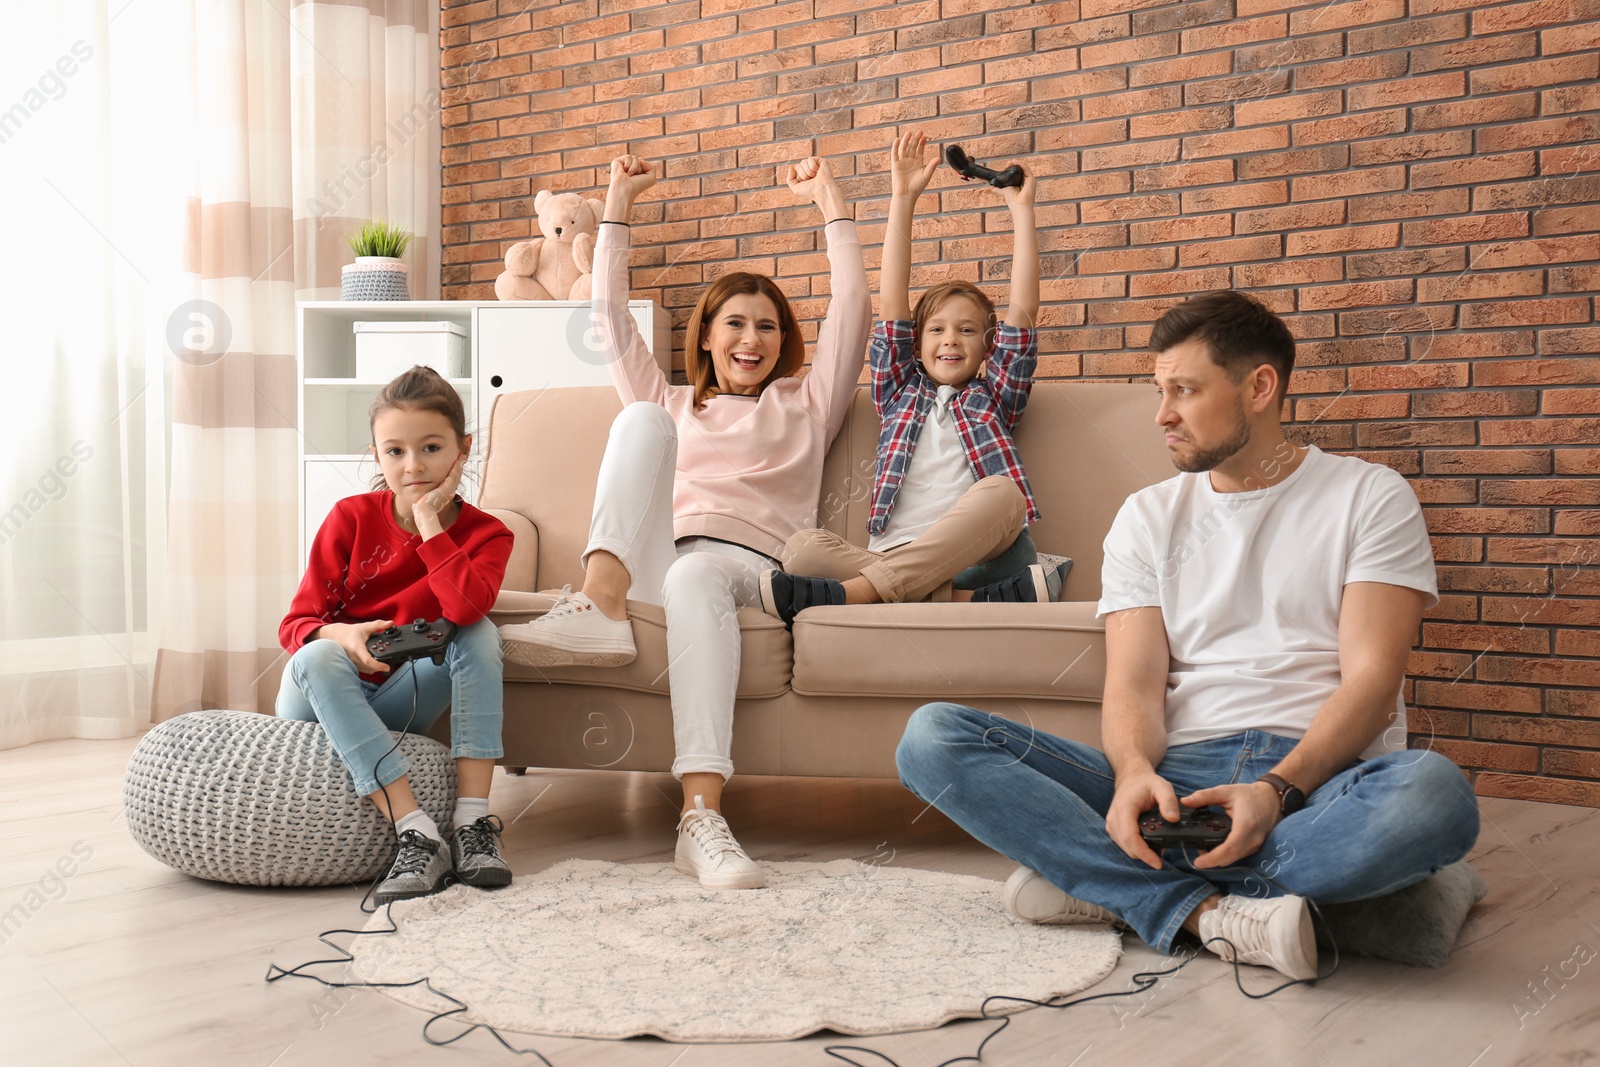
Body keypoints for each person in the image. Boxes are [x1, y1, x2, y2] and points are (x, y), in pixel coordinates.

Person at [895, 290, 1480, 980]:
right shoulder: (1146, 516)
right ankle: (1216, 913)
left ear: (1259, 387)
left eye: (1185, 390)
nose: (1161, 414)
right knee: (933, 737)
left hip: (1315, 784)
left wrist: (1275, 793)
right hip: (1176, 780)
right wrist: (1136, 774)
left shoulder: (1369, 497)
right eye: (1159, 390)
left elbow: (1373, 681)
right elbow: (1135, 685)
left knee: (1434, 795)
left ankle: (1107, 885)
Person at [498, 153, 871, 890]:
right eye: (735, 322)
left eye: (767, 326)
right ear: (706, 335)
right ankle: (600, 600)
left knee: (700, 571)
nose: (752, 339)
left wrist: (831, 202)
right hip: (654, 559)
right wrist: (615, 207)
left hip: (746, 569)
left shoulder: (807, 403)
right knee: (637, 417)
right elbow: (607, 319)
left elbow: (855, 309)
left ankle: (701, 819)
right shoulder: (674, 402)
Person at [758, 130, 1059, 627]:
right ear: (915, 345)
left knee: (1003, 493)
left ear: (989, 346)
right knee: (801, 549)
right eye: (937, 330)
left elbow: (1023, 314)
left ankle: (856, 594)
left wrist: (1021, 212)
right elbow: (893, 303)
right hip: (897, 551)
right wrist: (903, 197)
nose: (951, 341)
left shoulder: (996, 397)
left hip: (982, 558)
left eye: (967, 331)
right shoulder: (899, 392)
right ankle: (970, 602)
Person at [277, 366, 514, 906]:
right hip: (322, 696)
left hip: (398, 697)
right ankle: (416, 832)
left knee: (478, 633)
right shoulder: (351, 518)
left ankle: (472, 827)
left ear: (463, 448)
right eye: (395, 452)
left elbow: (465, 605)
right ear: (377, 454)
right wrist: (340, 634)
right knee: (317, 658)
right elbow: (294, 625)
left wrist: (430, 521)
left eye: (431, 448)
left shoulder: (489, 533)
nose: (413, 467)